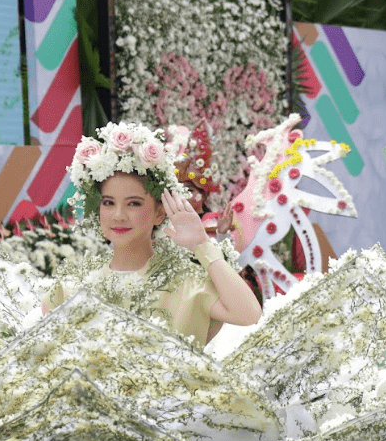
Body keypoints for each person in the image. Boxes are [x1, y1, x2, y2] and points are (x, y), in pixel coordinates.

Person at [45, 122, 261, 346]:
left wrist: (202, 245)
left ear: (160, 212)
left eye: (134, 204)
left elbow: (248, 314)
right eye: (108, 203)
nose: (118, 215)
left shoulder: (184, 283)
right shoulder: (75, 285)